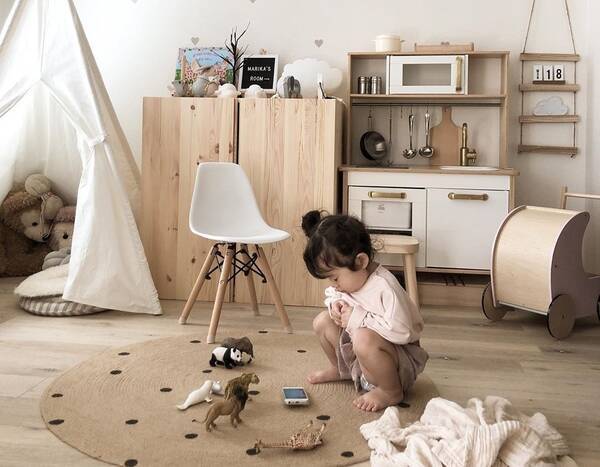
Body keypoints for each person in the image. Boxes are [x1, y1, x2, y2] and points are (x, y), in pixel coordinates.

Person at [302, 210, 428, 412]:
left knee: (363, 337)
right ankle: (341, 369)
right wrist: (335, 305)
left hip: (399, 365)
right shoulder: (353, 280)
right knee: (322, 321)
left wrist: (356, 318)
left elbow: (402, 332)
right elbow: (336, 295)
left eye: (335, 278)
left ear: (360, 262)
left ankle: (390, 390)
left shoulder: (384, 287)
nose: (334, 285)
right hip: (364, 362)